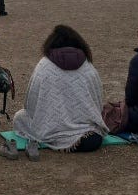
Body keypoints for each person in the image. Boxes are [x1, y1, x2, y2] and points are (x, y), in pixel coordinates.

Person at [9, 24, 109, 158]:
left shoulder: (44, 65)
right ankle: (76, 135)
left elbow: (30, 103)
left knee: (19, 117)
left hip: (50, 129)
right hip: (91, 135)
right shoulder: (88, 66)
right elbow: (97, 100)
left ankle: (59, 137)